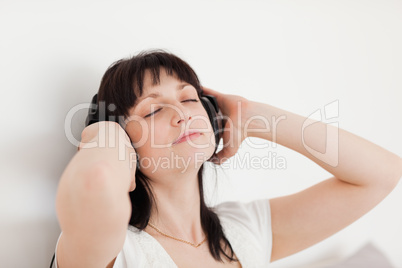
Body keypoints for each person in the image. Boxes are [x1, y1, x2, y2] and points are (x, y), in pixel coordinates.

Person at [52, 50, 402, 268]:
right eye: (155, 109)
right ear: (125, 144)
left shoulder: (245, 230)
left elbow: (383, 173)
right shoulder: (113, 249)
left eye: (190, 99)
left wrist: (253, 115)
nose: (182, 114)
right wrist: (106, 135)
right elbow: (93, 181)